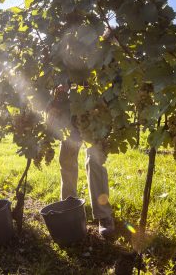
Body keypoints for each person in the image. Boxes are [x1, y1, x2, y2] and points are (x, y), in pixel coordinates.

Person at [47, 83, 115, 238]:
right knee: (66, 160)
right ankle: (69, 206)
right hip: (71, 114)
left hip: (96, 109)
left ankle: (104, 215)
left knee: (94, 160)